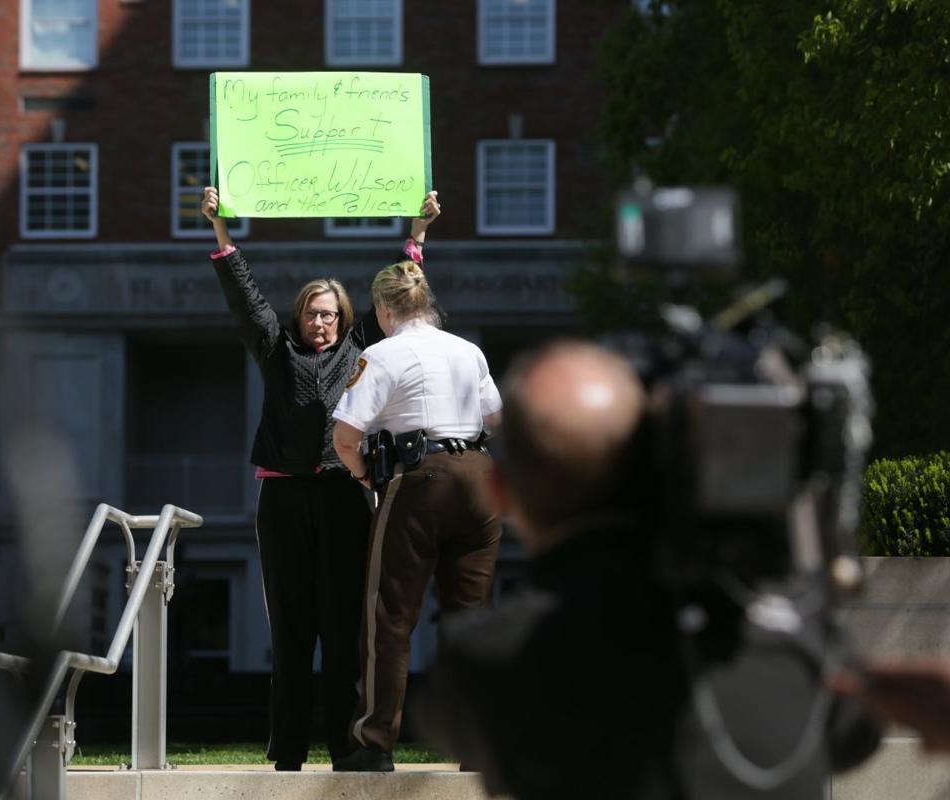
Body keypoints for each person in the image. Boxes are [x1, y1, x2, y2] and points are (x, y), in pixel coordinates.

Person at [418, 341, 880, 799]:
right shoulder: (794, 646)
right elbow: (855, 734)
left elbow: (451, 722)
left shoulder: (488, 661)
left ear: (500, 493)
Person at [201, 186, 441, 771]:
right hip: (282, 497)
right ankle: (285, 754)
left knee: (342, 629)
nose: (321, 322)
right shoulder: (275, 350)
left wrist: (419, 233)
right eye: (312, 313)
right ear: (299, 317)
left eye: (331, 313)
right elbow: (245, 299)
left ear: (346, 320)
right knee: (290, 630)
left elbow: (401, 296)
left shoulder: (363, 348)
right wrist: (222, 233)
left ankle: (345, 748)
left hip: (342, 496)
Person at [329, 261, 503, 772]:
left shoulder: (381, 354)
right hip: (478, 478)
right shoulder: (468, 350)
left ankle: (375, 742)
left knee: (389, 618)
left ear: (385, 308)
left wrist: (365, 477)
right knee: (472, 619)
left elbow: (345, 437)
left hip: (419, 479)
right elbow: (495, 418)